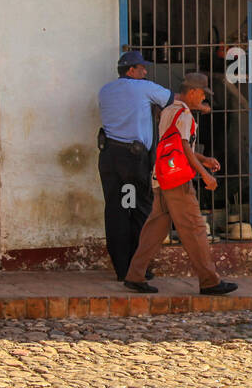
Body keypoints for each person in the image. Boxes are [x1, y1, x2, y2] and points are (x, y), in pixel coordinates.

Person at [123, 73, 237, 296]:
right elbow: (184, 148)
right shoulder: (184, 115)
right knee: (195, 229)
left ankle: (134, 275)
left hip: (162, 177)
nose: (204, 98)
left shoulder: (169, 110)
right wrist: (204, 174)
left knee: (154, 229)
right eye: (203, 94)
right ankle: (209, 280)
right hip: (178, 182)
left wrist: (204, 159)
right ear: (193, 92)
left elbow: (174, 145)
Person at [97, 50, 174, 282]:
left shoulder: (106, 90)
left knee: (117, 210)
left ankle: (123, 268)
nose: (145, 72)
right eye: (141, 68)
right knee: (139, 211)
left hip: (110, 156)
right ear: (130, 71)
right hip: (132, 160)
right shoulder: (142, 87)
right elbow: (172, 99)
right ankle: (136, 268)